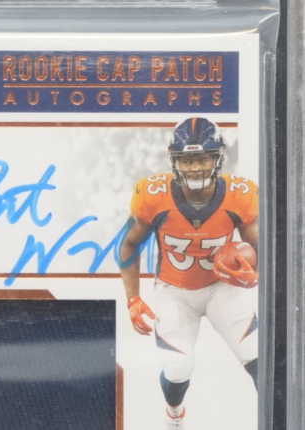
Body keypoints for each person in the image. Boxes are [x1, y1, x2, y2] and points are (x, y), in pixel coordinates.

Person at [119, 117, 258, 429]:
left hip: (222, 287)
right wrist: (133, 299)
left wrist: (254, 270)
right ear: (175, 161)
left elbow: (261, 246)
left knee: (257, 355)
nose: (195, 168)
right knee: (178, 367)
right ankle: (174, 413)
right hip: (175, 290)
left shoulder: (240, 194)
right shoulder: (153, 195)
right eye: (187, 160)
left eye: (203, 159)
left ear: (217, 158)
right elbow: (128, 244)